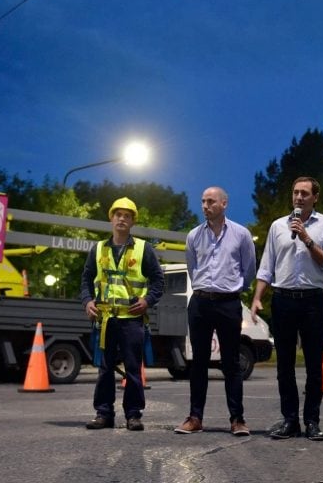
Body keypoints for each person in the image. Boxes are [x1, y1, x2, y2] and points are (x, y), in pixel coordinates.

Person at [250, 176, 323, 441]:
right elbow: (267, 266)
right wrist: (257, 298)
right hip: (283, 299)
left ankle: (312, 421)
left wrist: (308, 239)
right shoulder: (278, 226)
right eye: (295, 192)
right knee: (284, 365)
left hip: (312, 300)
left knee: (313, 363)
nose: (298, 197)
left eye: (304, 193)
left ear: (315, 197)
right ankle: (290, 420)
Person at [174, 187, 257, 436]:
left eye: (210, 201)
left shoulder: (241, 234)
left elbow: (249, 269)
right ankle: (195, 417)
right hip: (200, 303)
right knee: (198, 362)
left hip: (228, 303)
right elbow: (192, 267)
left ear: (224, 204)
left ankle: (237, 419)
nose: (205, 206)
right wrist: (204, 288)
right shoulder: (193, 236)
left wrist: (233, 290)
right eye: (202, 201)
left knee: (231, 363)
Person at [80, 197, 164, 431]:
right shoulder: (98, 249)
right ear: (111, 218)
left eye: (127, 215)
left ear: (132, 221)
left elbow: (158, 280)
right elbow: (86, 280)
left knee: (133, 368)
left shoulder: (143, 248)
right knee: (105, 369)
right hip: (105, 320)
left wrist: (147, 301)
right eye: (118, 214)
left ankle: (133, 415)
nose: (122, 218)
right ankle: (104, 413)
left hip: (132, 320)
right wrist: (87, 302)